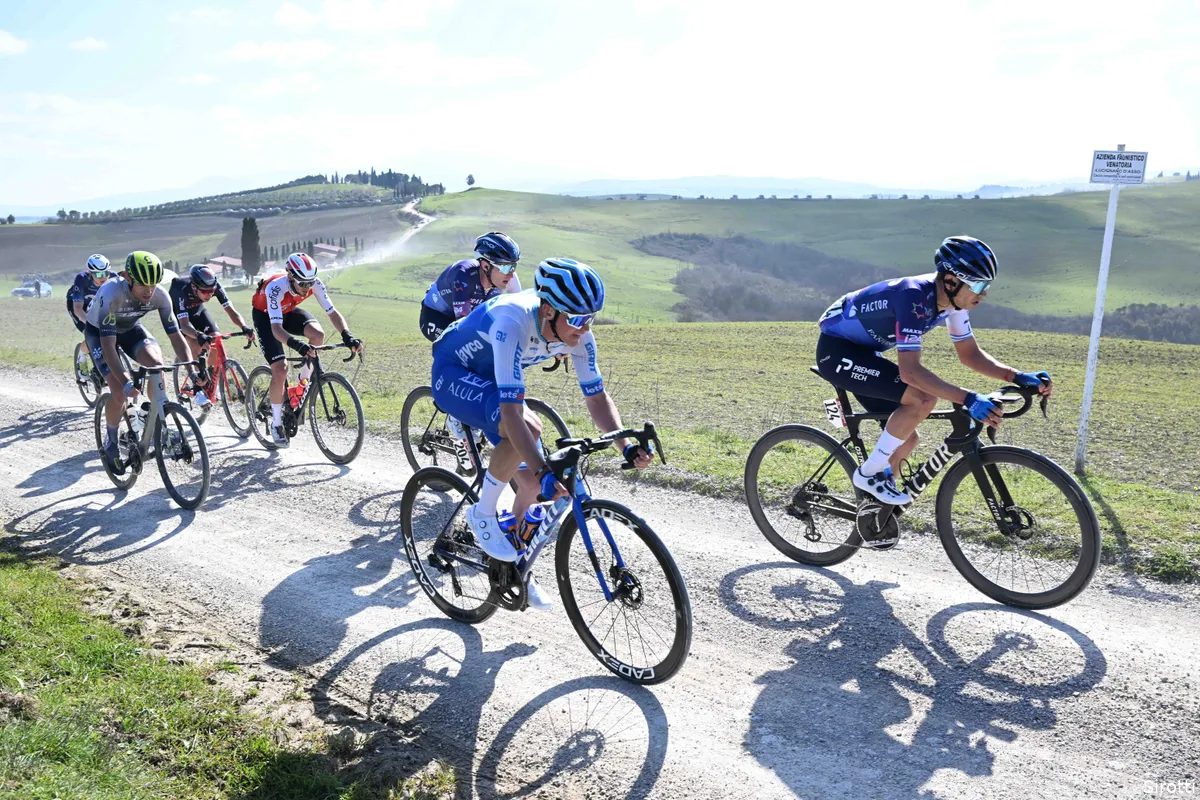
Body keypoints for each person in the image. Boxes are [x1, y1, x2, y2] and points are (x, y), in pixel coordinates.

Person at [431, 257, 652, 610]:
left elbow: (596, 397)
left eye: (590, 318)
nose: (584, 328)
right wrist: (543, 468)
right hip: (454, 373)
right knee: (530, 433)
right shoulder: (512, 321)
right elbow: (512, 414)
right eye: (577, 319)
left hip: (493, 380)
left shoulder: (578, 335)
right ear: (549, 310)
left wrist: (624, 445)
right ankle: (483, 513)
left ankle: (512, 566)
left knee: (534, 490)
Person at [816, 235, 1052, 544]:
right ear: (952, 280)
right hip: (838, 351)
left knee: (907, 436)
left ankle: (873, 514)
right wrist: (968, 398)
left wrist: (1017, 376)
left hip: (864, 352)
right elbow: (910, 371)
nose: (985, 294)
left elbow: (969, 354)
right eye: (979, 286)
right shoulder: (913, 298)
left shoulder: (953, 302)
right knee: (922, 399)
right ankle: (868, 475)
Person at [420, 231, 523, 471]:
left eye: (514, 267)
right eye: (506, 267)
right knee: (467, 357)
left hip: (466, 319)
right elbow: (464, 328)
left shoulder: (507, 280)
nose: (511, 273)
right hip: (438, 317)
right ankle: (456, 416)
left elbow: (523, 317)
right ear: (485, 266)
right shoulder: (463, 275)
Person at [86, 251, 193, 475]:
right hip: (100, 334)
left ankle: (156, 414)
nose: (149, 290)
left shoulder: (161, 296)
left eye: (153, 284)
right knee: (119, 393)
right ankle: (111, 440)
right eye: (143, 285)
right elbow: (108, 347)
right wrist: (125, 379)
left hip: (130, 330)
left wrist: (191, 370)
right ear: (128, 278)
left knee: (156, 363)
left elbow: (176, 337)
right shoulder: (111, 293)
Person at [250, 252, 363, 448]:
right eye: (303, 284)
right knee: (281, 369)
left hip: (288, 311)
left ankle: (300, 388)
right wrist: (296, 344)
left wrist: (347, 335)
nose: (307, 288)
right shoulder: (275, 288)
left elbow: (332, 312)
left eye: (310, 283)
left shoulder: (314, 284)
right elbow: (276, 329)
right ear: (291, 277)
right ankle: (276, 423)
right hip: (266, 317)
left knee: (317, 336)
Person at [169, 264, 254, 408]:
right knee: (195, 343)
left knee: (216, 338)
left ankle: (209, 380)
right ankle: (197, 390)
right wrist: (198, 335)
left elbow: (231, 311)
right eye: (205, 292)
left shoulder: (214, 286)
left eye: (212, 291)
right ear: (194, 287)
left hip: (198, 311)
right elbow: (184, 325)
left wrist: (244, 327)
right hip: (180, 317)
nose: (209, 294)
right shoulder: (179, 289)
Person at [66, 255, 112, 365]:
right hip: (80, 306)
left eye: (106, 273)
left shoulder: (114, 277)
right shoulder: (81, 279)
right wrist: (92, 325)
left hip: (98, 304)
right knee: (93, 335)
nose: (103, 277)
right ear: (91, 273)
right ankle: (81, 356)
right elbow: (77, 309)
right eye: (98, 274)